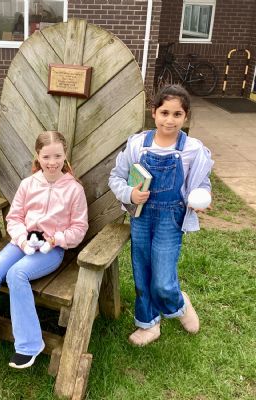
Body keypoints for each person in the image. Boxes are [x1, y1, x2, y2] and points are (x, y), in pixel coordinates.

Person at [0, 131, 88, 369]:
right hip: (22, 242)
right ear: (37, 155)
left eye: (58, 156)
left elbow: (79, 228)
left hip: (51, 250)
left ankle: (29, 345)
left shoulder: (74, 189)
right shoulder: (28, 184)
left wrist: (56, 239)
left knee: (16, 274)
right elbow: (14, 218)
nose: (52, 162)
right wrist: (22, 239)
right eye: (46, 157)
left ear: (65, 155)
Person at [109, 84, 214, 346]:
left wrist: (201, 197)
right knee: (142, 272)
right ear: (154, 112)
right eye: (165, 113)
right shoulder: (137, 144)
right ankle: (148, 324)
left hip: (171, 219)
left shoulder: (192, 149)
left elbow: (202, 183)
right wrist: (130, 194)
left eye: (177, 114)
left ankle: (179, 302)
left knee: (163, 281)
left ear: (185, 116)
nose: (170, 120)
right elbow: (116, 177)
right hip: (141, 216)